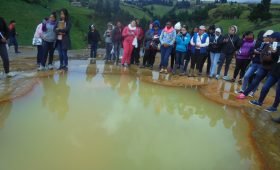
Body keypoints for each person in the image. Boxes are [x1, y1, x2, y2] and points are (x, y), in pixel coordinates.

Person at [237, 31, 279, 99]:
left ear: (275, 39)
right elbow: (262, 53)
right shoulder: (268, 45)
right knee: (255, 79)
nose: (269, 39)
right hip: (263, 65)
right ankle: (245, 93)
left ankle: (260, 100)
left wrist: (274, 53)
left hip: (272, 69)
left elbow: (276, 58)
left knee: (266, 86)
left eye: (271, 37)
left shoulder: (277, 46)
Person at [249, 32, 280, 114]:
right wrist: (273, 53)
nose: (271, 39)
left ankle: (274, 107)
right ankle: (259, 102)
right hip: (275, 71)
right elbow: (275, 59)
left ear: (275, 39)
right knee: (265, 87)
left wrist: (276, 52)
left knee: (278, 92)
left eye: (272, 38)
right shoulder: (274, 46)